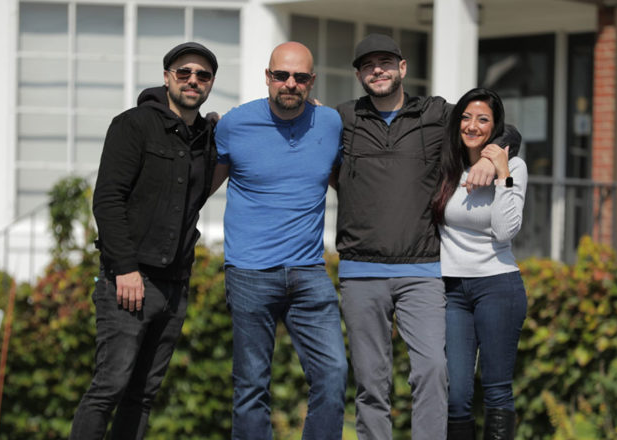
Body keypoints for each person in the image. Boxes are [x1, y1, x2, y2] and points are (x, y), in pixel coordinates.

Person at [334, 34, 519, 440]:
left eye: (386, 62)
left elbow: (495, 125)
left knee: (435, 372)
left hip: (422, 271)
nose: (377, 70)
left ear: (403, 68)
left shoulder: (436, 114)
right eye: (368, 65)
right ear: (359, 74)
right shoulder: (342, 118)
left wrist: (494, 154)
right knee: (371, 384)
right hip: (360, 271)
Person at [69, 42, 219, 440]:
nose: (193, 80)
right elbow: (107, 198)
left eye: (202, 75)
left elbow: (197, 193)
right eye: (184, 72)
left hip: (175, 285)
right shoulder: (133, 124)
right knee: (109, 388)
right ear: (167, 76)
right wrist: (126, 269)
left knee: (143, 396)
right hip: (131, 281)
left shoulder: (205, 136)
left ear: (210, 84)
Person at [211, 41, 347, 440]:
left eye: (300, 77)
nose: (290, 83)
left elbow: (348, 181)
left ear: (311, 81)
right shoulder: (234, 124)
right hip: (250, 273)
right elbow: (199, 187)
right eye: (282, 75)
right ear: (267, 77)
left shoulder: (330, 123)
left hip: (309, 272)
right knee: (251, 386)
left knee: (334, 373)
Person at [432, 87, 528, 440]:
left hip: (498, 287)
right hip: (452, 290)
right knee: (456, 394)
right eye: (467, 118)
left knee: (497, 390)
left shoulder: (514, 165)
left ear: (495, 127)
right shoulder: (447, 163)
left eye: (483, 119)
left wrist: (501, 171)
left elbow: (505, 231)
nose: (472, 126)